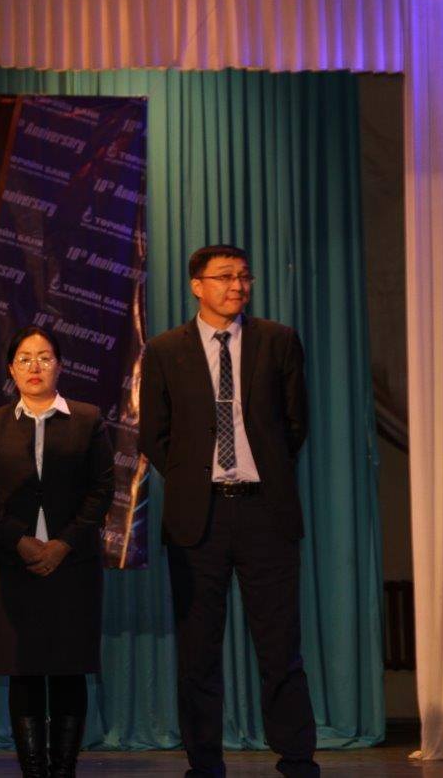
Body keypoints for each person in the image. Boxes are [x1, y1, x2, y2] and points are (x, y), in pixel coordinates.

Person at [138, 244, 318, 777]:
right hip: (200, 518)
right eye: (224, 277)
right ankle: (204, 763)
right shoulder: (164, 350)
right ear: (197, 285)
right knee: (198, 652)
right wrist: (196, 479)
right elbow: (154, 434)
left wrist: (260, 470)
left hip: (266, 513)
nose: (237, 286)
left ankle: (297, 759)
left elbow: (295, 424)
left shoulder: (278, 340)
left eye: (244, 276)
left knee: (280, 647)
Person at [0, 325, 113, 777]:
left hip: (73, 565)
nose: (35, 366)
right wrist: (22, 542)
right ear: (11, 369)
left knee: (69, 669)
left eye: (45, 357)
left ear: (60, 366)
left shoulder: (87, 419)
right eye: (25, 358)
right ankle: (33, 770)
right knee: (24, 669)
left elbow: (101, 491)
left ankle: (63, 769)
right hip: (12, 565)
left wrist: (63, 544)